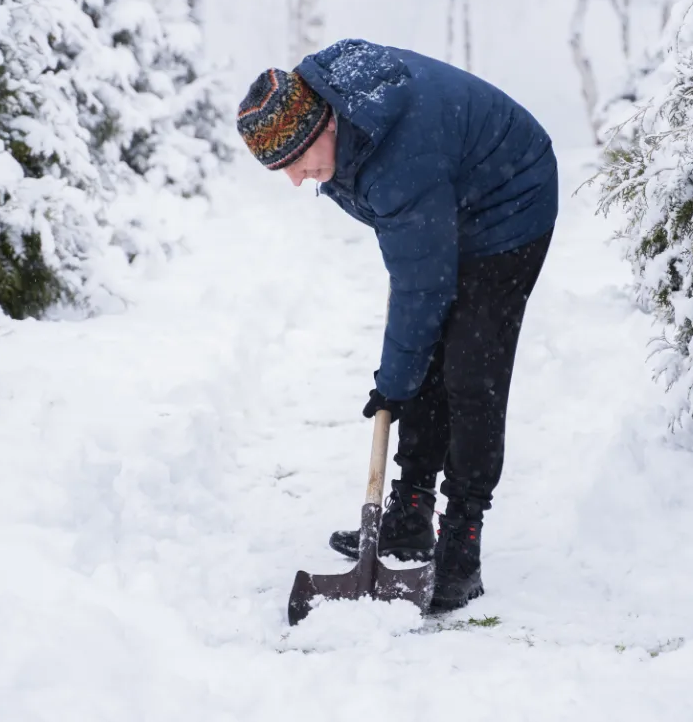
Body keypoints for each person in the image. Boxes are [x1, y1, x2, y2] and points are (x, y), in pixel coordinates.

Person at [236, 39, 557, 612]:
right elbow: (418, 267)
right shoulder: (338, 121)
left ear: (323, 128)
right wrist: (405, 373)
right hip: (450, 196)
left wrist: (394, 383)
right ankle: (410, 515)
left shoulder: (397, 155)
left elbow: (423, 284)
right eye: (282, 171)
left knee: (470, 370)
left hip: (511, 200)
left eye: (295, 163)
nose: (295, 181)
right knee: (427, 352)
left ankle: (463, 539)